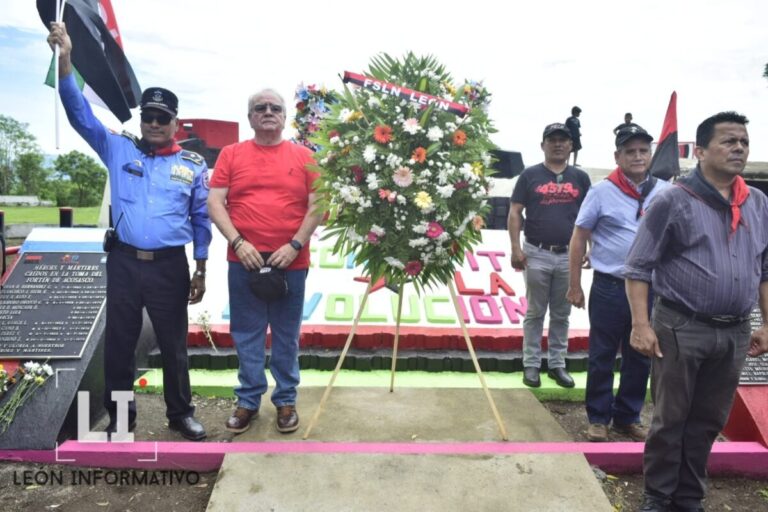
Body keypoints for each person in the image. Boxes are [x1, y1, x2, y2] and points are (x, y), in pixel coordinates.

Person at [47, 22, 211, 441]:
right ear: (141, 119)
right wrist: (65, 60)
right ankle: (121, 418)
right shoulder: (117, 147)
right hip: (123, 262)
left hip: (170, 266)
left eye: (162, 118)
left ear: (175, 123)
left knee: (173, 345)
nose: (154, 123)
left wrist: (201, 268)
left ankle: (180, 414)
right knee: (119, 343)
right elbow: (79, 114)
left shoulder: (192, 166)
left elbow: (201, 219)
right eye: (148, 116)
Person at [624, 112, 768, 511]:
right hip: (681, 326)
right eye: (728, 141)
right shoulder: (673, 200)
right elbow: (638, 268)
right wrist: (640, 325)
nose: (738, 148)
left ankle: (689, 496)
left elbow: (764, 270)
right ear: (701, 151)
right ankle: (658, 496)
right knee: (670, 419)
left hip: (735, 332)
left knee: (708, 419)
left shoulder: (758, 204)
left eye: (744, 141)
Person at [207, 89, 322, 435]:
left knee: (287, 335)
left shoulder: (305, 156)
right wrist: (238, 242)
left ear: (285, 117)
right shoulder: (231, 154)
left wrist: (295, 244)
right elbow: (215, 203)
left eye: (275, 108)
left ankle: (285, 400)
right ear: (250, 117)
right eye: (260, 108)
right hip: (244, 260)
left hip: (292, 262)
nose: (268, 112)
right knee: (247, 333)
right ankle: (248, 401)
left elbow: (318, 205)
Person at [566, 125, 671, 443]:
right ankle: (598, 418)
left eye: (643, 150)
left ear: (650, 155)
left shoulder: (666, 192)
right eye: (630, 151)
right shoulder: (601, 192)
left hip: (651, 289)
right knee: (602, 354)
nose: (638, 156)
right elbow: (579, 237)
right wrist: (574, 284)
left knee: (642, 353)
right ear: (617, 156)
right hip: (610, 286)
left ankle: (627, 416)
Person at [508, 123, 591, 389]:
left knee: (562, 313)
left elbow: (590, 216)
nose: (557, 144)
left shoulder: (581, 178)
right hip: (536, 253)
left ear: (571, 146)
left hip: (569, 255)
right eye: (552, 140)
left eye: (563, 140)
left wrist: (592, 247)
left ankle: (557, 364)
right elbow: (515, 212)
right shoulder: (529, 175)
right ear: (542, 145)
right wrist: (515, 248)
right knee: (535, 312)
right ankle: (531, 364)